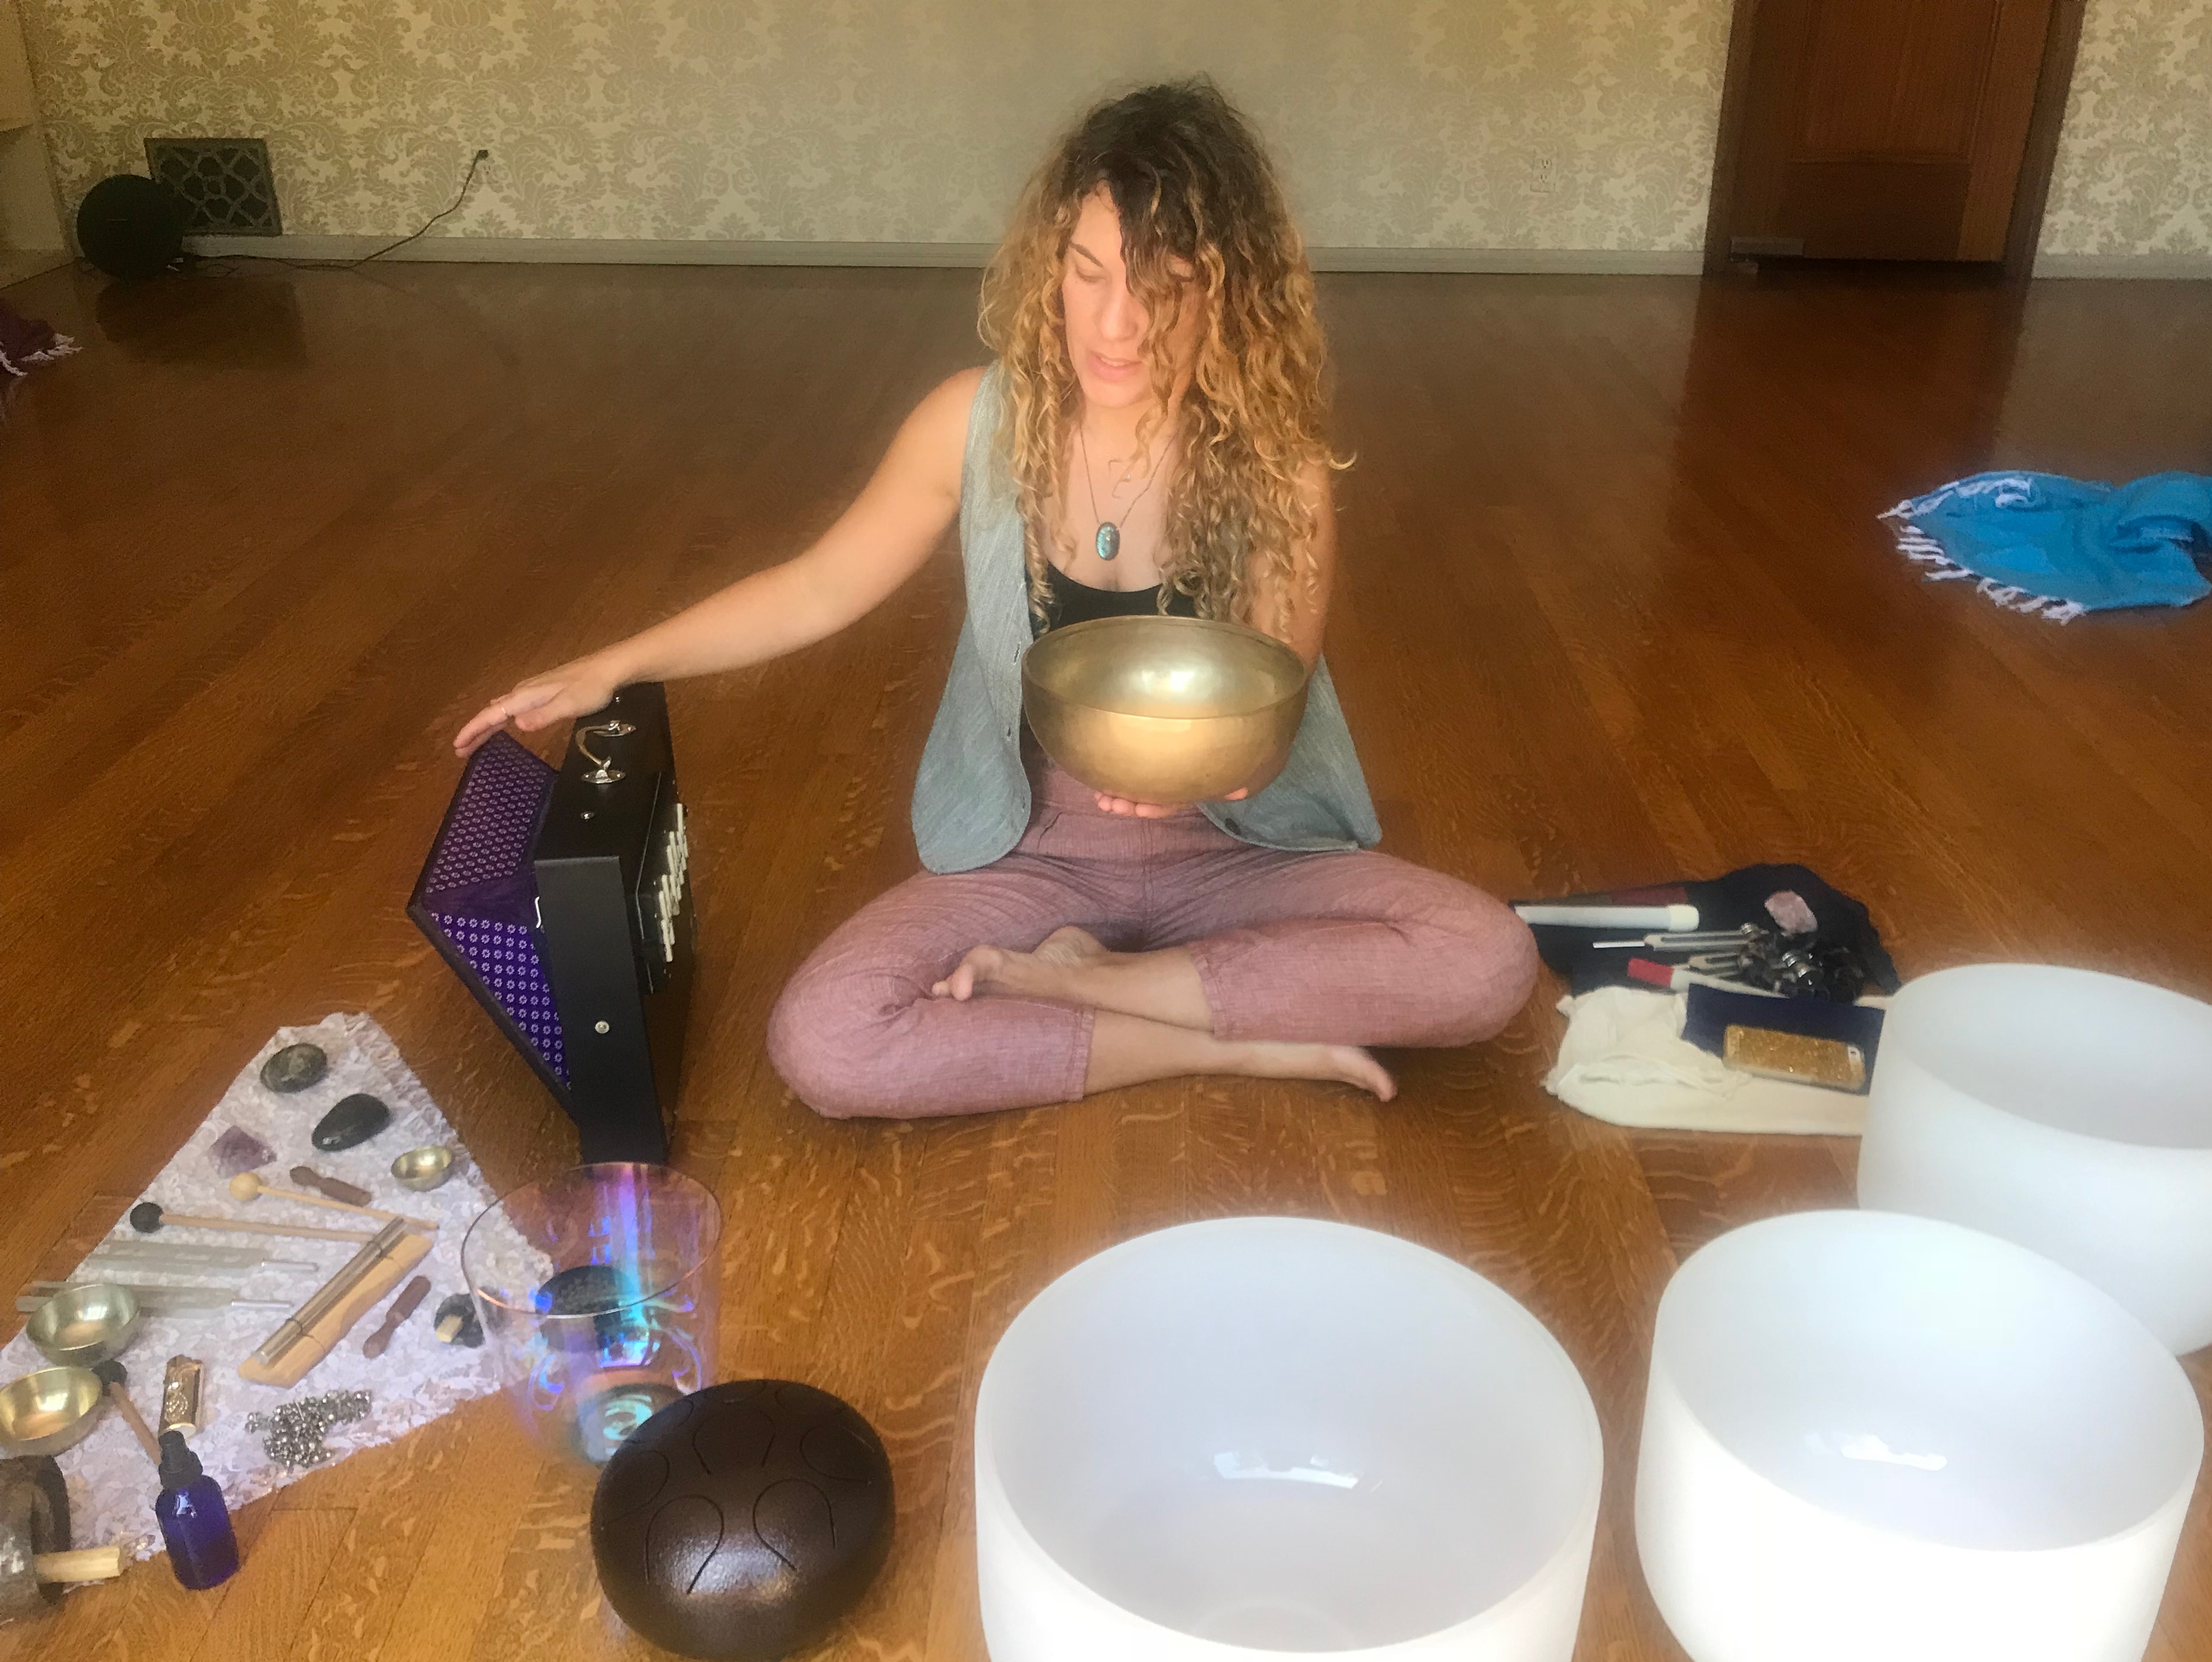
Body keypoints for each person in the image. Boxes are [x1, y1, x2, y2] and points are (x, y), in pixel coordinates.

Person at [454, 81, 1537, 1119]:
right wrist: (612, 664)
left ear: (1229, 290)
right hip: (1039, 846)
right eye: (1087, 271)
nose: (1115, 324)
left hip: (1234, 848)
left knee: (1487, 961)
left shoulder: (1275, 463)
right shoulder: (973, 424)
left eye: (1164, 285)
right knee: (828, 1038)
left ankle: (1091, 985)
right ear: (1050, 265)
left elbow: (1270, 705)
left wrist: (1226, 767)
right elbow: (820, 585)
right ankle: (1231, 1035)